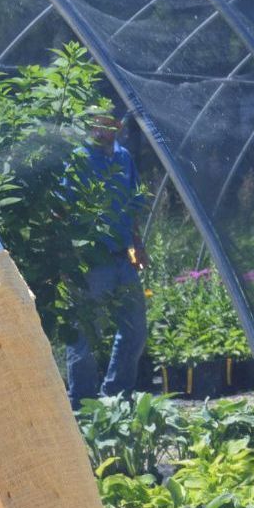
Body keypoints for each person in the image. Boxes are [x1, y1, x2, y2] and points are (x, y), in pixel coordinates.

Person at [64, 113, 149, 407]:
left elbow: (133, 201)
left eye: (107, 125)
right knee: (86, 331)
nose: (101, 130)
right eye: (96, 125)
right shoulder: (79, 158)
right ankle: (82, 401)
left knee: (135, 327)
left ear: (117, 128)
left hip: (122, 258)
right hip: (91, 260)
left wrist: (138, 244)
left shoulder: (123, 158)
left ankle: (115, 394)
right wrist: (69, 254)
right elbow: (63, 208)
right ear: (89, 127)